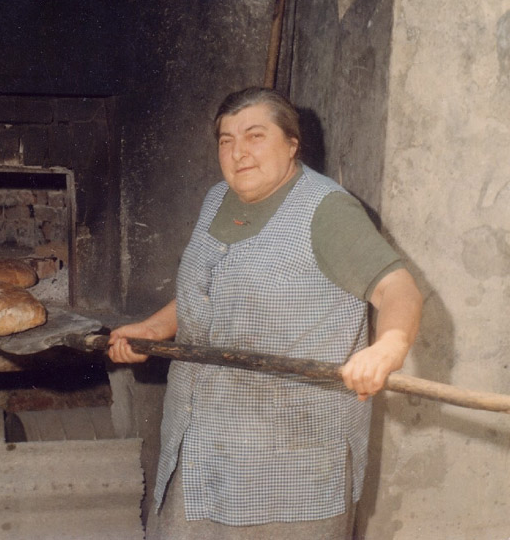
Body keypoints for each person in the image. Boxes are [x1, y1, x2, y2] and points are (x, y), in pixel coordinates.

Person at [108, 87, 423, 539]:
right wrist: (155, 328)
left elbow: (398, 288)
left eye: (255, 136)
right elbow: (211, 292)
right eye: (226, 140)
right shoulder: (218, 199)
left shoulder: (327, 210)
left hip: (287, 460)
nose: (238, 153)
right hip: (200, 448)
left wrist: (388, 348)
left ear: (292, 143)